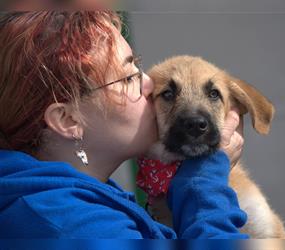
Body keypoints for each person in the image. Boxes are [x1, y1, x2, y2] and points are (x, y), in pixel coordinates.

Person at [0, 11, 248, 239]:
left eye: (138, 66)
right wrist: (205, 177)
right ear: (68, 120)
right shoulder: (70, 225)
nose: (149, 83)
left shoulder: (76, 200)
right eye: (129, 77)